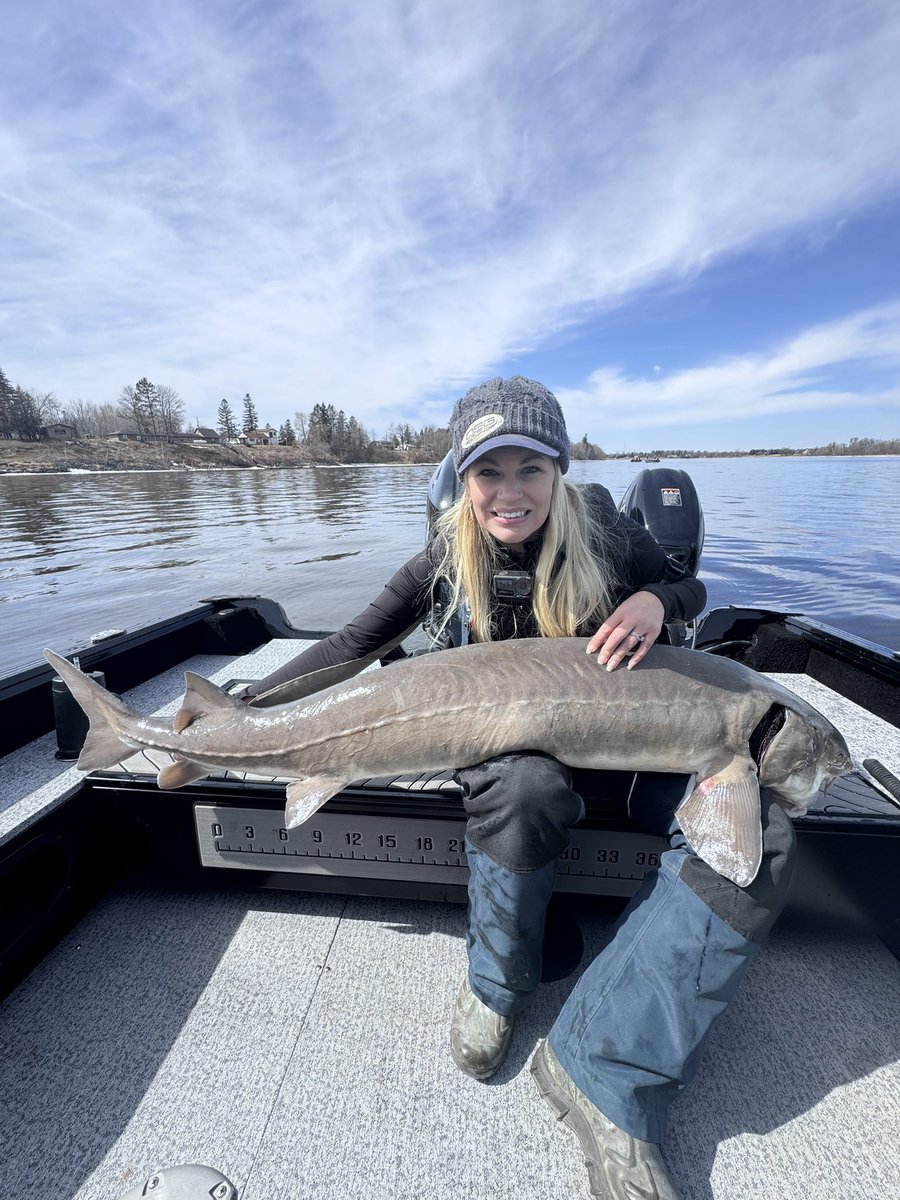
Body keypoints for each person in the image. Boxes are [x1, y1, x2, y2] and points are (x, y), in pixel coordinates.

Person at [244, 377, 796, 1200]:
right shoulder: (443, 550)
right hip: (511, 753)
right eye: (487, 472)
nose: (510, 493)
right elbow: (353, 645)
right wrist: (240, 716)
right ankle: (497, 986)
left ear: (559, 472)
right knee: (528, 787)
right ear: (463, 479)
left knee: (769, 840)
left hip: (631, 740)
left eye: (530, 470)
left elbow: (691, 591)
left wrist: (654, 596)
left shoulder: (605, 528)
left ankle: (602, 1063)